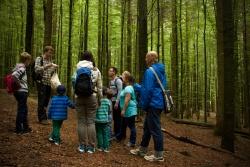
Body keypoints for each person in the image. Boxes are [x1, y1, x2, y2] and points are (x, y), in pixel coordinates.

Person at [130, 51, 167, 162]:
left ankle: (159, 155)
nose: (145, 59)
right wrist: (136, 86)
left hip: (153, 103)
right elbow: (153, 88)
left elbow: (148, 90)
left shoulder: (150, 71)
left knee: (155, 129)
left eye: (146, 57)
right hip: (158, 102)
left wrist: (143, 105)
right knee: (147, 128)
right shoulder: (160, 71)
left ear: (151, 58)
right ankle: (142, 150)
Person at [73, 51, 102, 154]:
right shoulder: (96, 70)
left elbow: (74, 82)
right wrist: (100, 99)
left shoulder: (78, 69)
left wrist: (75, 96)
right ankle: (91, 147)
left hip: (79, 97)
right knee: (90, 122)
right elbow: (99, 87)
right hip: (92, 97)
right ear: (91, 58)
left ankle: (81, 146)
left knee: (81, 122)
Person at [34, 46, 58, 125]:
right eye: (50, 52)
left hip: (48, 83)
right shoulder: (39, 59)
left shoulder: (50, 60)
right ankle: (41, 118)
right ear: (45, 51)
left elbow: (49, 72)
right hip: (41, 82)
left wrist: (54, 68)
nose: (51, 54)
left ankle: (44, 117)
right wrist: (46, 66)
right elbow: (36, 69)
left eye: (52, 53)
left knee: (46, 101)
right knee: (41, 100)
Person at [12, 52, 32, 134]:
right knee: (22, 110)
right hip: (22, 91)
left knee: (24, 109)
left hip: (18, 91)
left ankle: (25, 127)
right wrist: (19, 85)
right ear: (26, 60)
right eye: (29, 60)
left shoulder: (17, 67)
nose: (29, 62)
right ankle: (19, 129)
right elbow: (14, 75)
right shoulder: (22, 68)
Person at [120, 71, 137, 147]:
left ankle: (132, 142)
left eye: (122, 76)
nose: (121, 77)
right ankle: (121, 137)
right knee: (128, 125)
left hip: (130, 110)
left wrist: (123, 110)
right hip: (128, 110)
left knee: (131, 126)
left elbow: (127, 99)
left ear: (126, 79)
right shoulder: (127, 87)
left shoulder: (128, 87)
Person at [95, 87, 113, 153]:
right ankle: (106, 148)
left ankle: (100, 147)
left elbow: (95, 110)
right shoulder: (108, 101)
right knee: (105, 133)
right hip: (105, 120)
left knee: (99, 133)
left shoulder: (98, 101)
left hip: (97, 120)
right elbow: (110, 111)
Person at [108, 67, 123, 139]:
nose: (109, 72)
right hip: (111, 101)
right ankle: (115, 133)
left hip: (117, 101)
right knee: (113, 118)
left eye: (111, 71)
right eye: (109, 71)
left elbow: (120, 91)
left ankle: (118, 135)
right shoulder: (111, 81)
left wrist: (117, 102)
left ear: (114, 72)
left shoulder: (118, 80)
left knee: (117, 118)